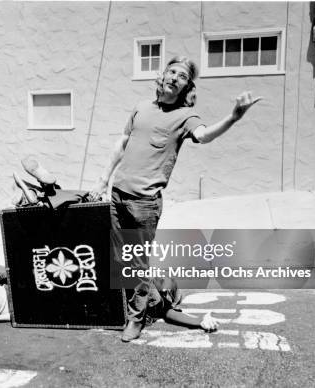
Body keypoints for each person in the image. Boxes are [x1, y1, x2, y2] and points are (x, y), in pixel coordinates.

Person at [88, 56, 261, 342]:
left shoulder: (185, 117)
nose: (174, 77)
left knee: (138, 263)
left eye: (181, 76)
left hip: (144, 203)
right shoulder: (141, 108)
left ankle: (136, 319)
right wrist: (103, 180)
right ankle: (138, 304)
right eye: (171, 71)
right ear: (162, 75)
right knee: (122, 260)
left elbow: (204, 136)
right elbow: (121, 145)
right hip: (118, 194)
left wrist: (233, 117)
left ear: (186, 87)